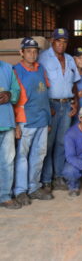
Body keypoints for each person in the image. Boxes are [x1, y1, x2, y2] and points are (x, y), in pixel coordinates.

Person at [39, 28, 80, 192]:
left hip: (66, 105)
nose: (61, 45)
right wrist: (47, 106)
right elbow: (39, 84)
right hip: (51, 105)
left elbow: (74, 83)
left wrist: (75, 102)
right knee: (48, 144)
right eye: (58, 41)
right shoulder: (43, 58)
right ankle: (46, 179)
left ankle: (58, 177)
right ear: (52, 41)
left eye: (64, 42)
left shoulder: (70, 59)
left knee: (62, 143)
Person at [13, 38, 53, 206]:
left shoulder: (40, 69)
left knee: (39, 154)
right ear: (21, 52)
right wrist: (15, 124)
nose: (32, 54)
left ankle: (34, 187)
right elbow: (12, 99)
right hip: (25, 121)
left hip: (42, 119)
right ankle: (20, 190)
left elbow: (46, 95)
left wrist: (49, 119)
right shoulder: (15, 71)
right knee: (22, 157)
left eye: (35, 51)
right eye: (28, 51)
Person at [0, 60, 20, 209]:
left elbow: (16, 90)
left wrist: (10, 94)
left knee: (7, 162)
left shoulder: (7, 68)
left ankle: (5, 196)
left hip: (6, 121)